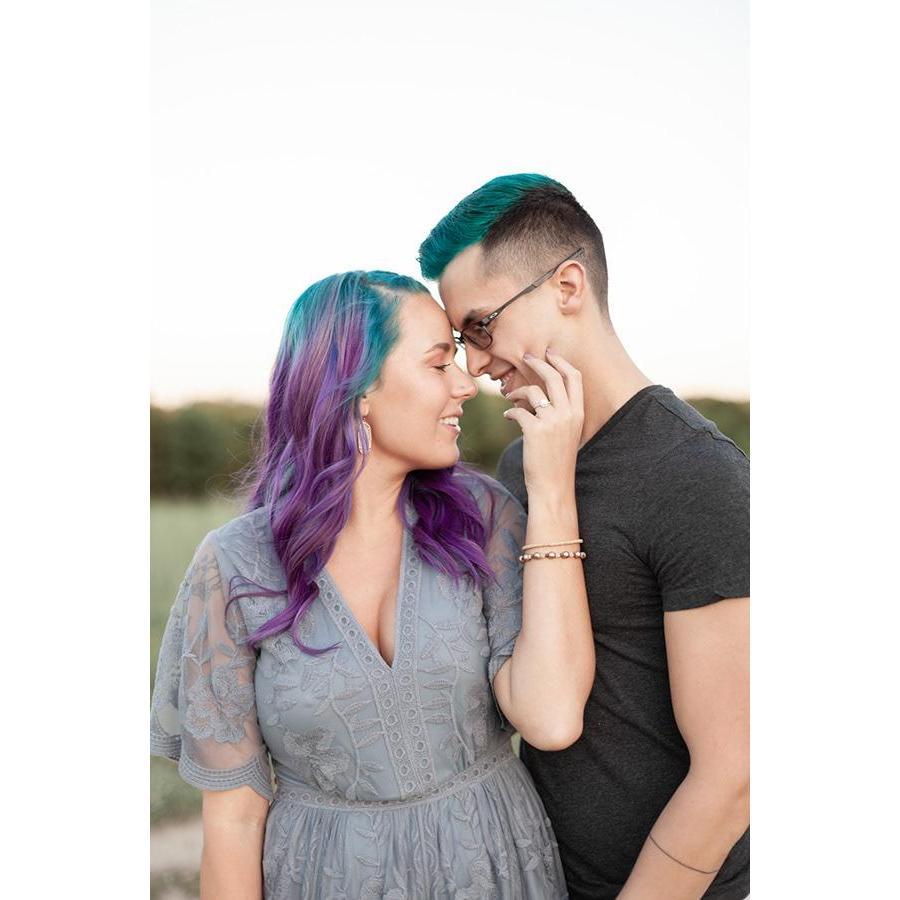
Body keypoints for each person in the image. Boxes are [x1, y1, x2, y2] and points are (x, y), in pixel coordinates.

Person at [149, 269, 595, 899]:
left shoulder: (483, 518)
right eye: (438, 364)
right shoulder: (234, 566)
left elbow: (551, 718)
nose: (465, 383)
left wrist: (551, 490)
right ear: (356, 390)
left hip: (495, 869)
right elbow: (234, 821)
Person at [419, 174, 750, 900]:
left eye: (482, 327)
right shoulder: (522, 463)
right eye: (461, 341)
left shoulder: (699, 475)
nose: (474, 364)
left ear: (567, 287)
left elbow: (733, 775)